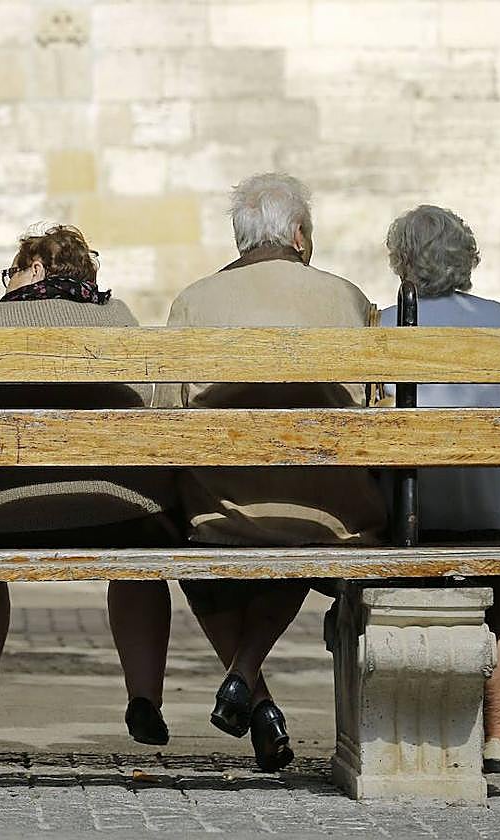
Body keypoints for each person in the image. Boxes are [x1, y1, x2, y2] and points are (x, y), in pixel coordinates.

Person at [156, 173, 387, 771]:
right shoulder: (347, 298)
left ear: (240, 239)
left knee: (212, 547)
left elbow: (164, 416)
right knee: (302, 518)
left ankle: (253, 694)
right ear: (300, 236)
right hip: (330, 513)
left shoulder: (195, 301)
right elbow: (380, 407)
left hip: (224, 513)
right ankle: (245, 681)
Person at [0, 224, 181, 744]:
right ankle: (144, 699)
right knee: (140, 565)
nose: (8, 282)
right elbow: (153, 406)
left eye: (13, 271)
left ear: (37, 270)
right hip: (120, 513)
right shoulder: (120, 321)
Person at [380, 205, 500, 774]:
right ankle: (497, 735)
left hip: (410, 517)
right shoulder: (499, 317)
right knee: (499, 605)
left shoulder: (385, 321)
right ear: (465, 257)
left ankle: (412, 733)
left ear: (402, 262)